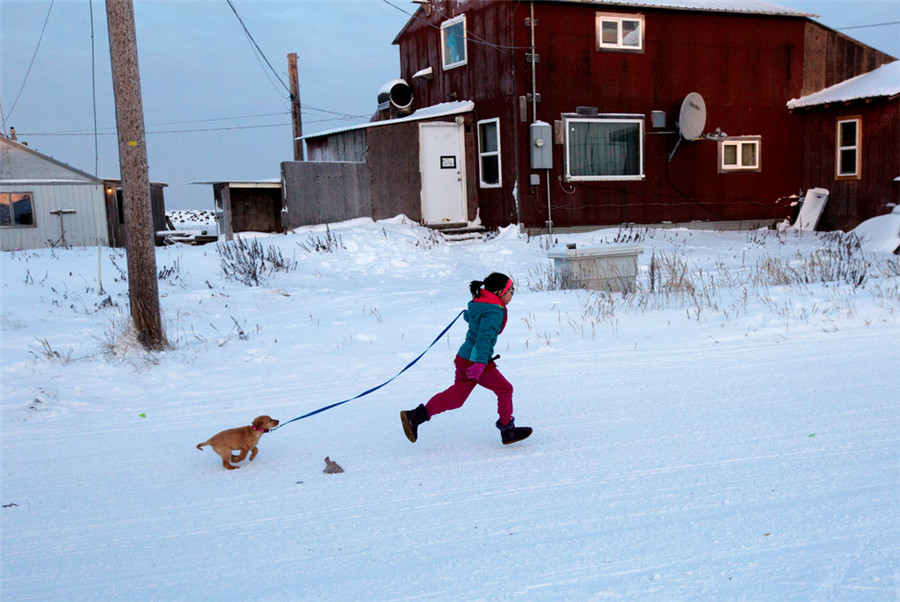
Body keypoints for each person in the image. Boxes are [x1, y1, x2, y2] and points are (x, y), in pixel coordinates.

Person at [401, 273, 532, 445]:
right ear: (500, 292)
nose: (512, 295)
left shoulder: (480, 305)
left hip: (463, 357)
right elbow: (483, 338)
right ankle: (508, 430)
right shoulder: (494, 311)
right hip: (476, 360)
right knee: (505, 390)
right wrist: (480, 363)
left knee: (457, 398)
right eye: (511, 290)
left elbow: (472, 317)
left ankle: (415, 416)